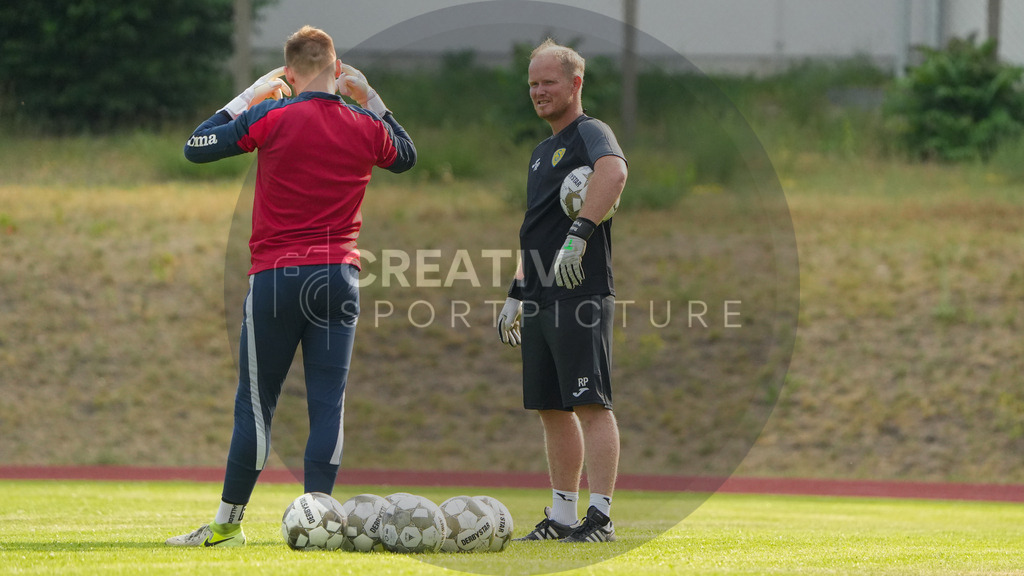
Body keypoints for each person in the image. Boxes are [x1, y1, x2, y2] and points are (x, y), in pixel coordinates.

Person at [166, 25, 415, 547]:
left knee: (256, 404)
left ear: (288, 71)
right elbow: (407, 154)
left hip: (277, 278)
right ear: (337, 67)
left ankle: (226, 526)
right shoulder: (364, 122)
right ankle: (319, 520)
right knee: (328, 403)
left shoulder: (271, 114)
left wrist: (250, 95)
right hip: (340, 278)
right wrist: (370, 96)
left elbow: (196, 147)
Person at [497, 39, 628, 543]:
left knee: (590, 403)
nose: (538, 91)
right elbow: (537, 230)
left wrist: (581, 235)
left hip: (580, 290)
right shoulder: (538, 154)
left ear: (575, 84)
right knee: (552, 408)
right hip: (540, 296)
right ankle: (561, 516)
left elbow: (613, 172)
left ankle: (601, 518)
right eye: (532, 83)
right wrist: (517, 290)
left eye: (548, 82)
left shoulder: (590, 132)